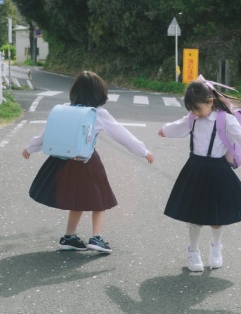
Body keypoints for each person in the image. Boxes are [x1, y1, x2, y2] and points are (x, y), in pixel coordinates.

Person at [158, 76, 241, 272]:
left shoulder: (226, 120)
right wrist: (165, 130)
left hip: (218, 170)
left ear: (210, 101)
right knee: (195, 216)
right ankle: (193, 251)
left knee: (217, 216)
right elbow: (180, 125)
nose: (195, 113)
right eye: (192, 110)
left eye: (198, 109)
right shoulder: (193, 118)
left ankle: (216, 247)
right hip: (195, 169)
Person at [22, 71, 154, 253]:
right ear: (99, 93)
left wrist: (30, 148)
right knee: (100, 201)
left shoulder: (65, 109)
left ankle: (69, 237)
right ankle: (96, 238)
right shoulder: (98, 113)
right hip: (87, 162)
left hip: (62, 162)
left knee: (77, 201)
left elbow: (47, 133)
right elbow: (122, 135)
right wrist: (143, 151)